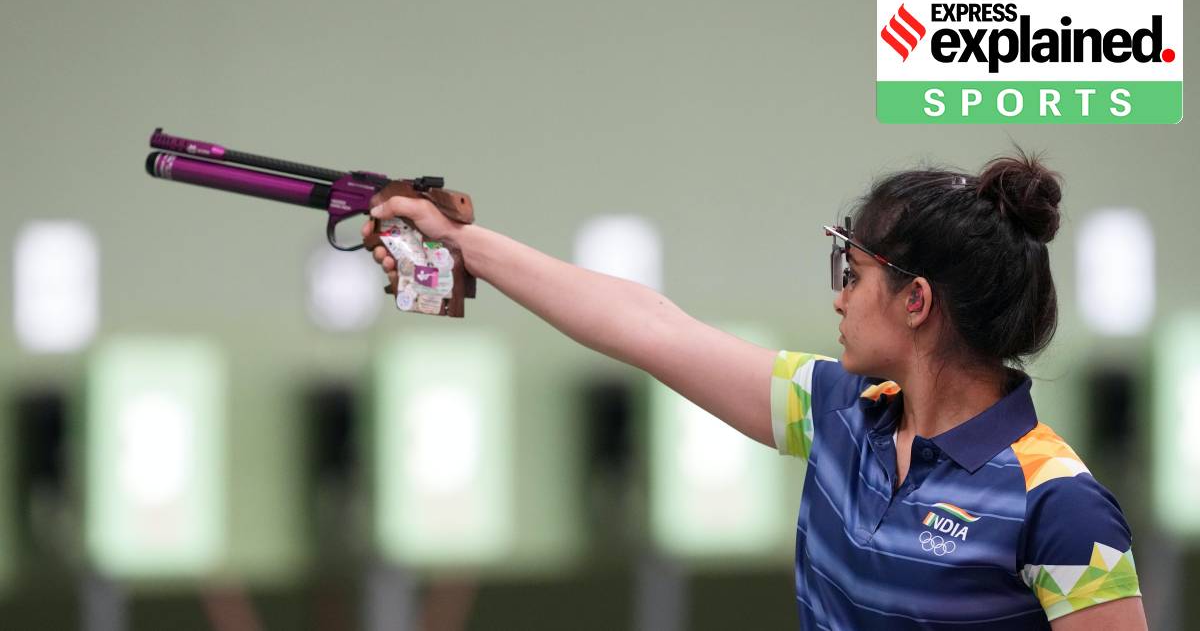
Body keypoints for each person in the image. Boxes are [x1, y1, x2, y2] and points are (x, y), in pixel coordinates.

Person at [362, 152, 1146, 630]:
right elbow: (649, 327)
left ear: (916, 300)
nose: (839, 297)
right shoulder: (839, 413)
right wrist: (464, 242)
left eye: (854, 274)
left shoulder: (1059, 505)